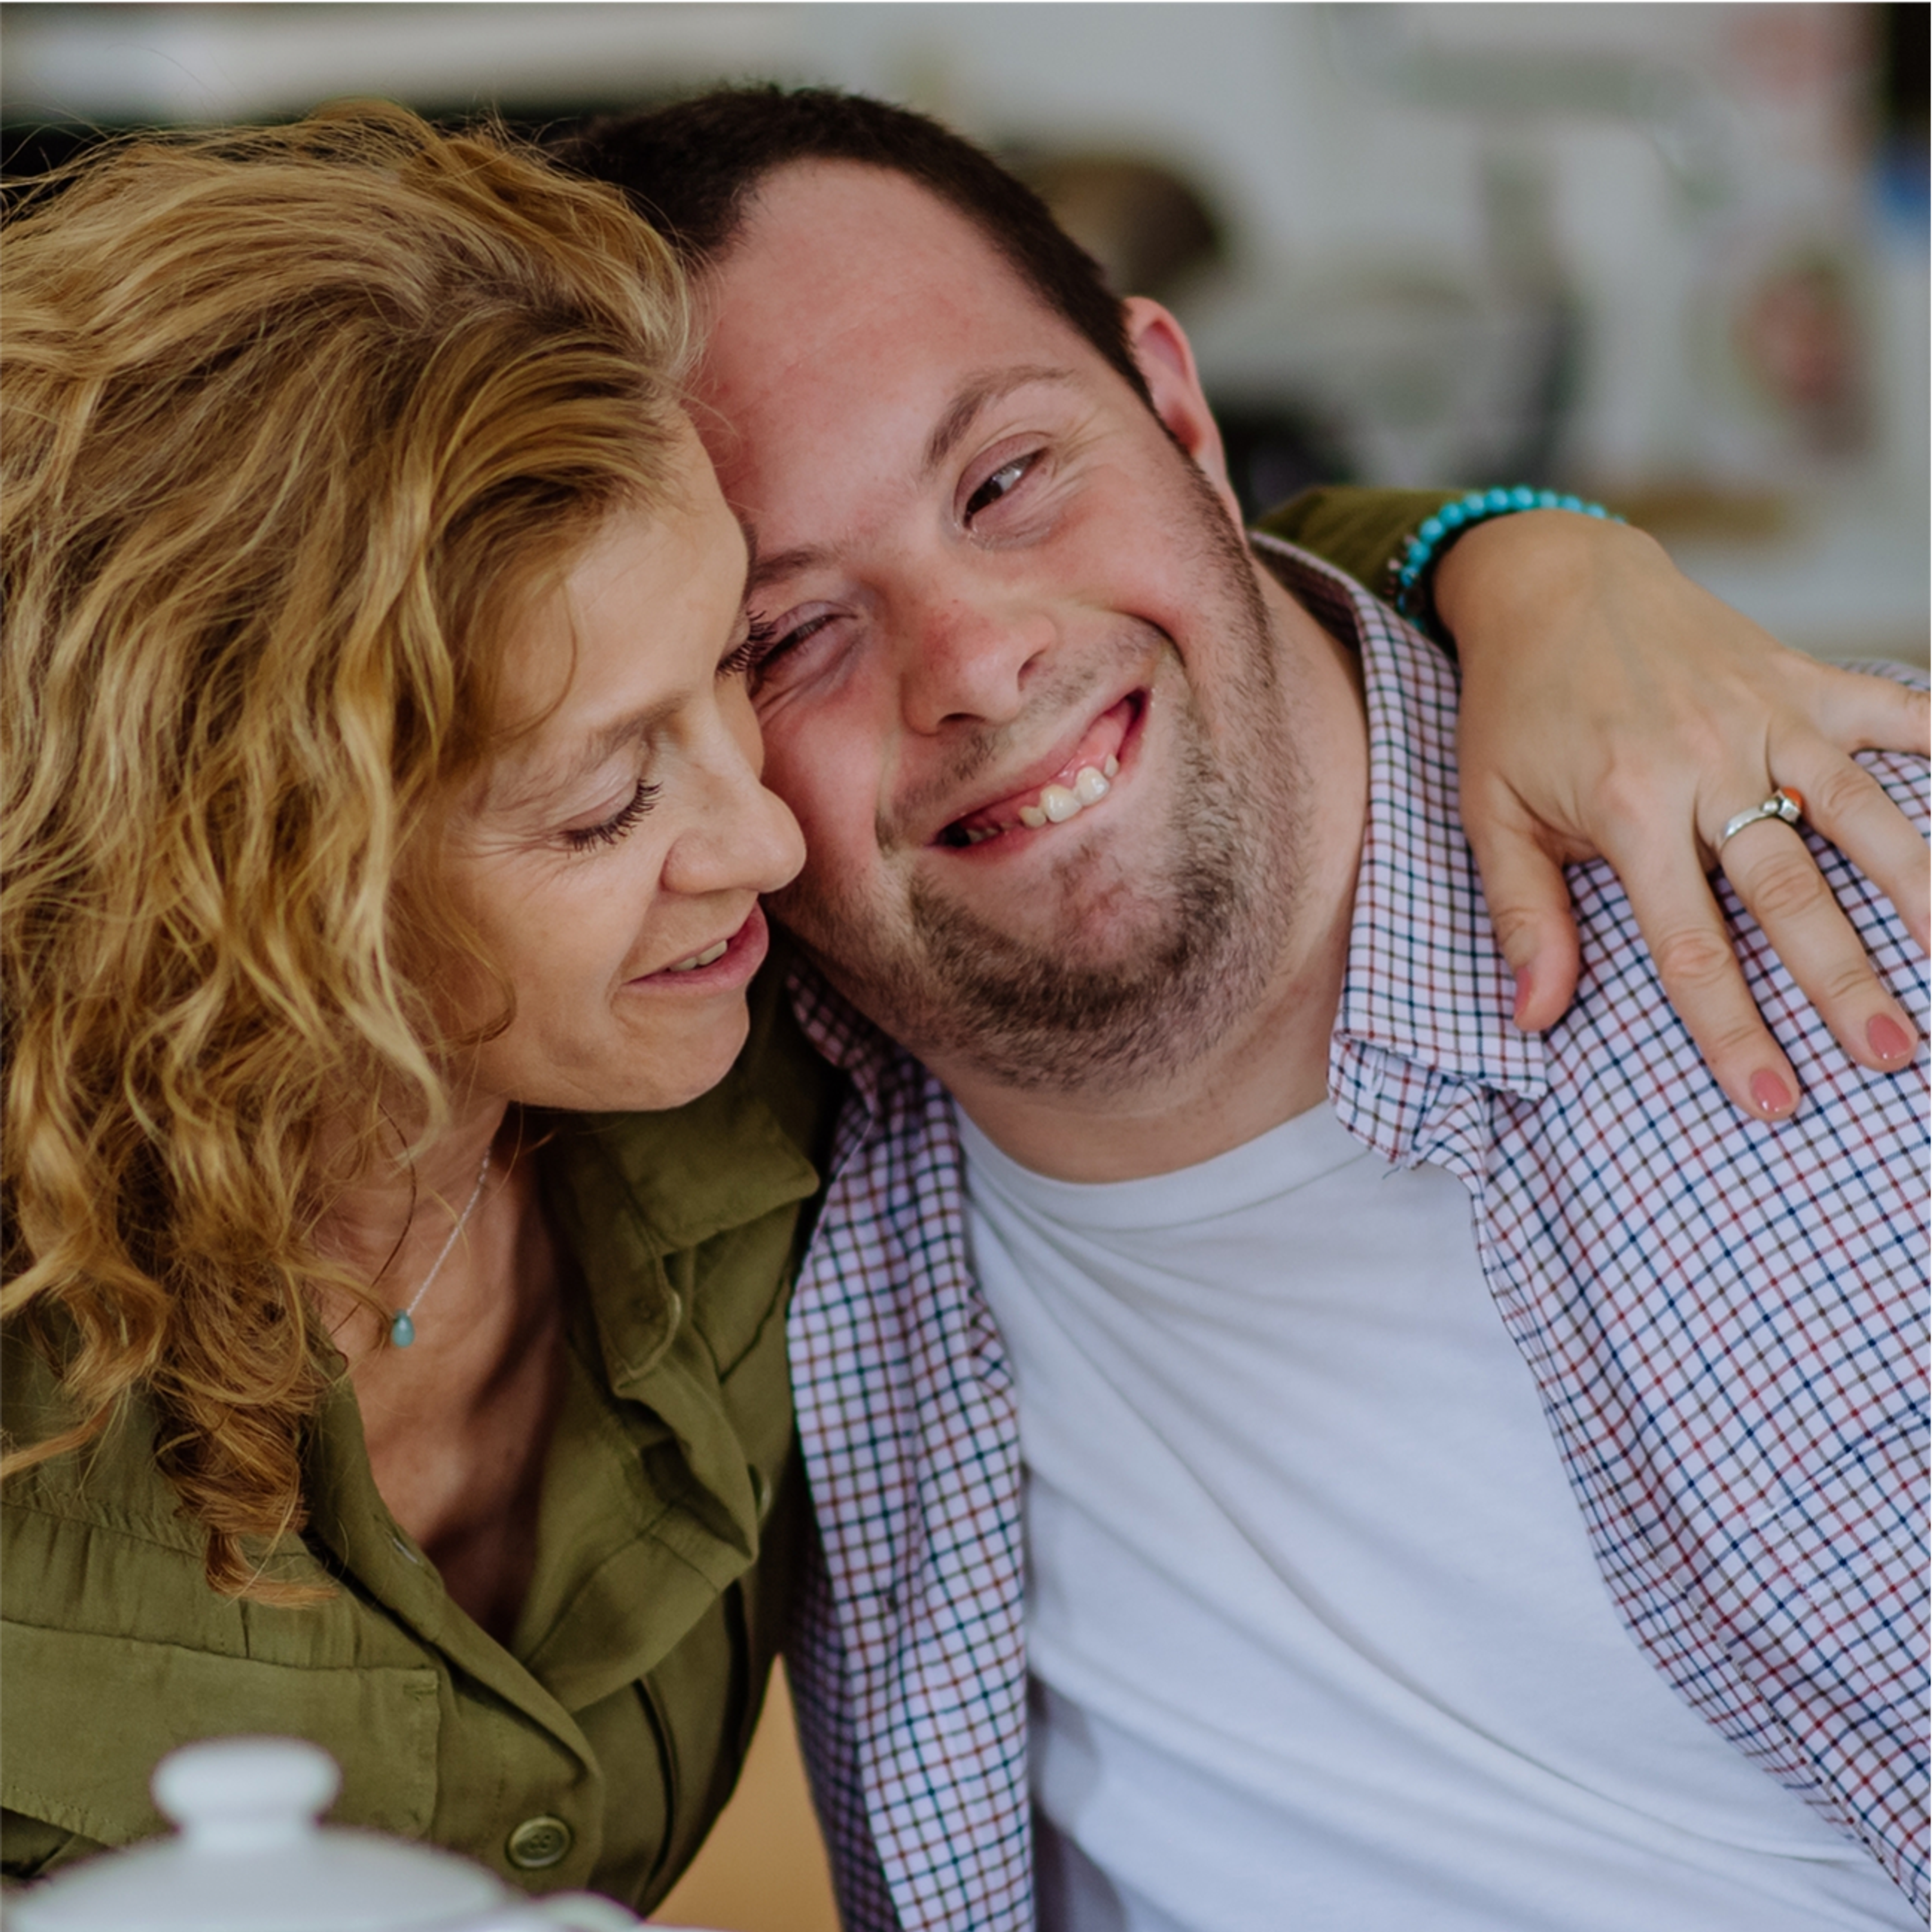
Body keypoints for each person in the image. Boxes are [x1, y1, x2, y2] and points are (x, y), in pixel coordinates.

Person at [560, 89, 1931, 1932]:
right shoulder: (714, 1154)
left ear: (1180, 414)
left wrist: (1526, 547)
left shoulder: (1854, 884)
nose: (976, 660)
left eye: (1005, 477)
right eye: (787, 635)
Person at [0, 108, 838, 1908]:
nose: (766, 836)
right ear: (257, 873)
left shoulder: (788, 1064)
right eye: (608, 797)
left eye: (735, 664)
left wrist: (1516, 557)